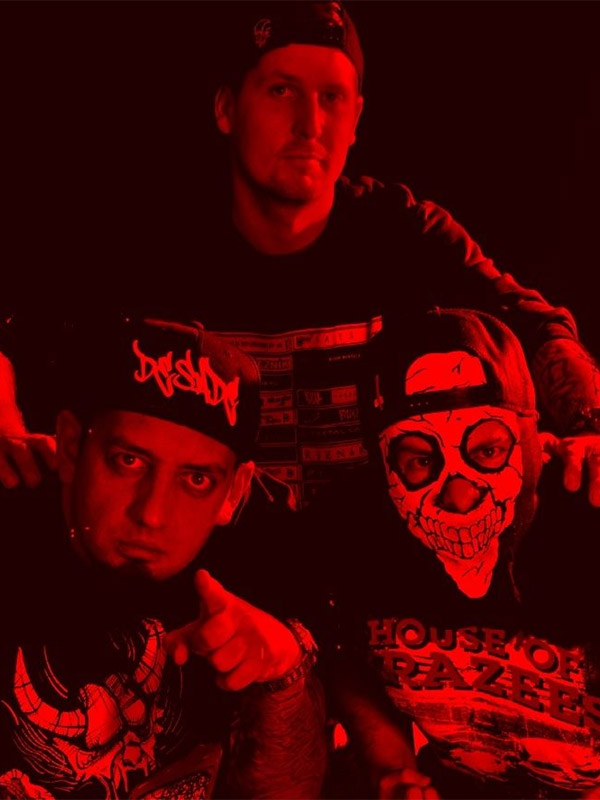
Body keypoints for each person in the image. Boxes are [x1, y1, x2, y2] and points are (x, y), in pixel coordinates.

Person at [2, 2, 600, 510]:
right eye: (282, 91)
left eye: (331, 97)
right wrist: (5, 429)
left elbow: (539, 329)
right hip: (203, 570)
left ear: (356, 119)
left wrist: (591, 428)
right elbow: (13, 336)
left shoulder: (403, 232)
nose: (309, 123)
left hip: (374, 572)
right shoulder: (151, 240)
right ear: (226, 109)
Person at [0, 317, 325, 799]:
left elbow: (287, 792)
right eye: (129, 461)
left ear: (233, 491)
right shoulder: (14, 532)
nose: (152, 515)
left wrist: (282, 672)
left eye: (196, 480)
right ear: (70, 446)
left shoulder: (263, 552)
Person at [312, 307, 600, 799]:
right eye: (421, 460)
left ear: (533, 444)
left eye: (487, 451)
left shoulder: (583, 520)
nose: (459, 498)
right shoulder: (355, 532)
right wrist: (389, 763)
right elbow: (346, 654)